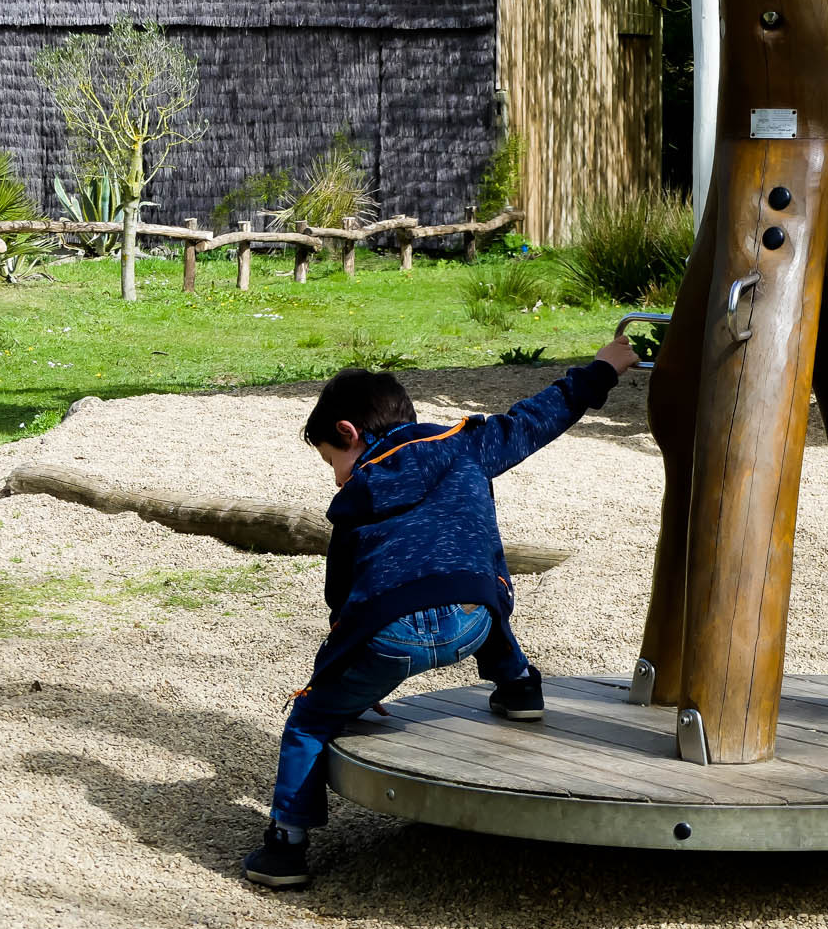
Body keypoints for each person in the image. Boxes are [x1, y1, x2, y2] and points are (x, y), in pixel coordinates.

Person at [243, 335, 640, 889]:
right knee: (478, 582)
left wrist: (343, 679)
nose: (336, 474)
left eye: (332, 460)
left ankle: (286, 846)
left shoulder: (356, 497)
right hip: (474, 619)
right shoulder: (466, 444)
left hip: (390, 634)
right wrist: (602, 369)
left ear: (348, 434)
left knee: (309, 718)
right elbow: (538, 418)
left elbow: (343, 602)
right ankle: (520, 685)